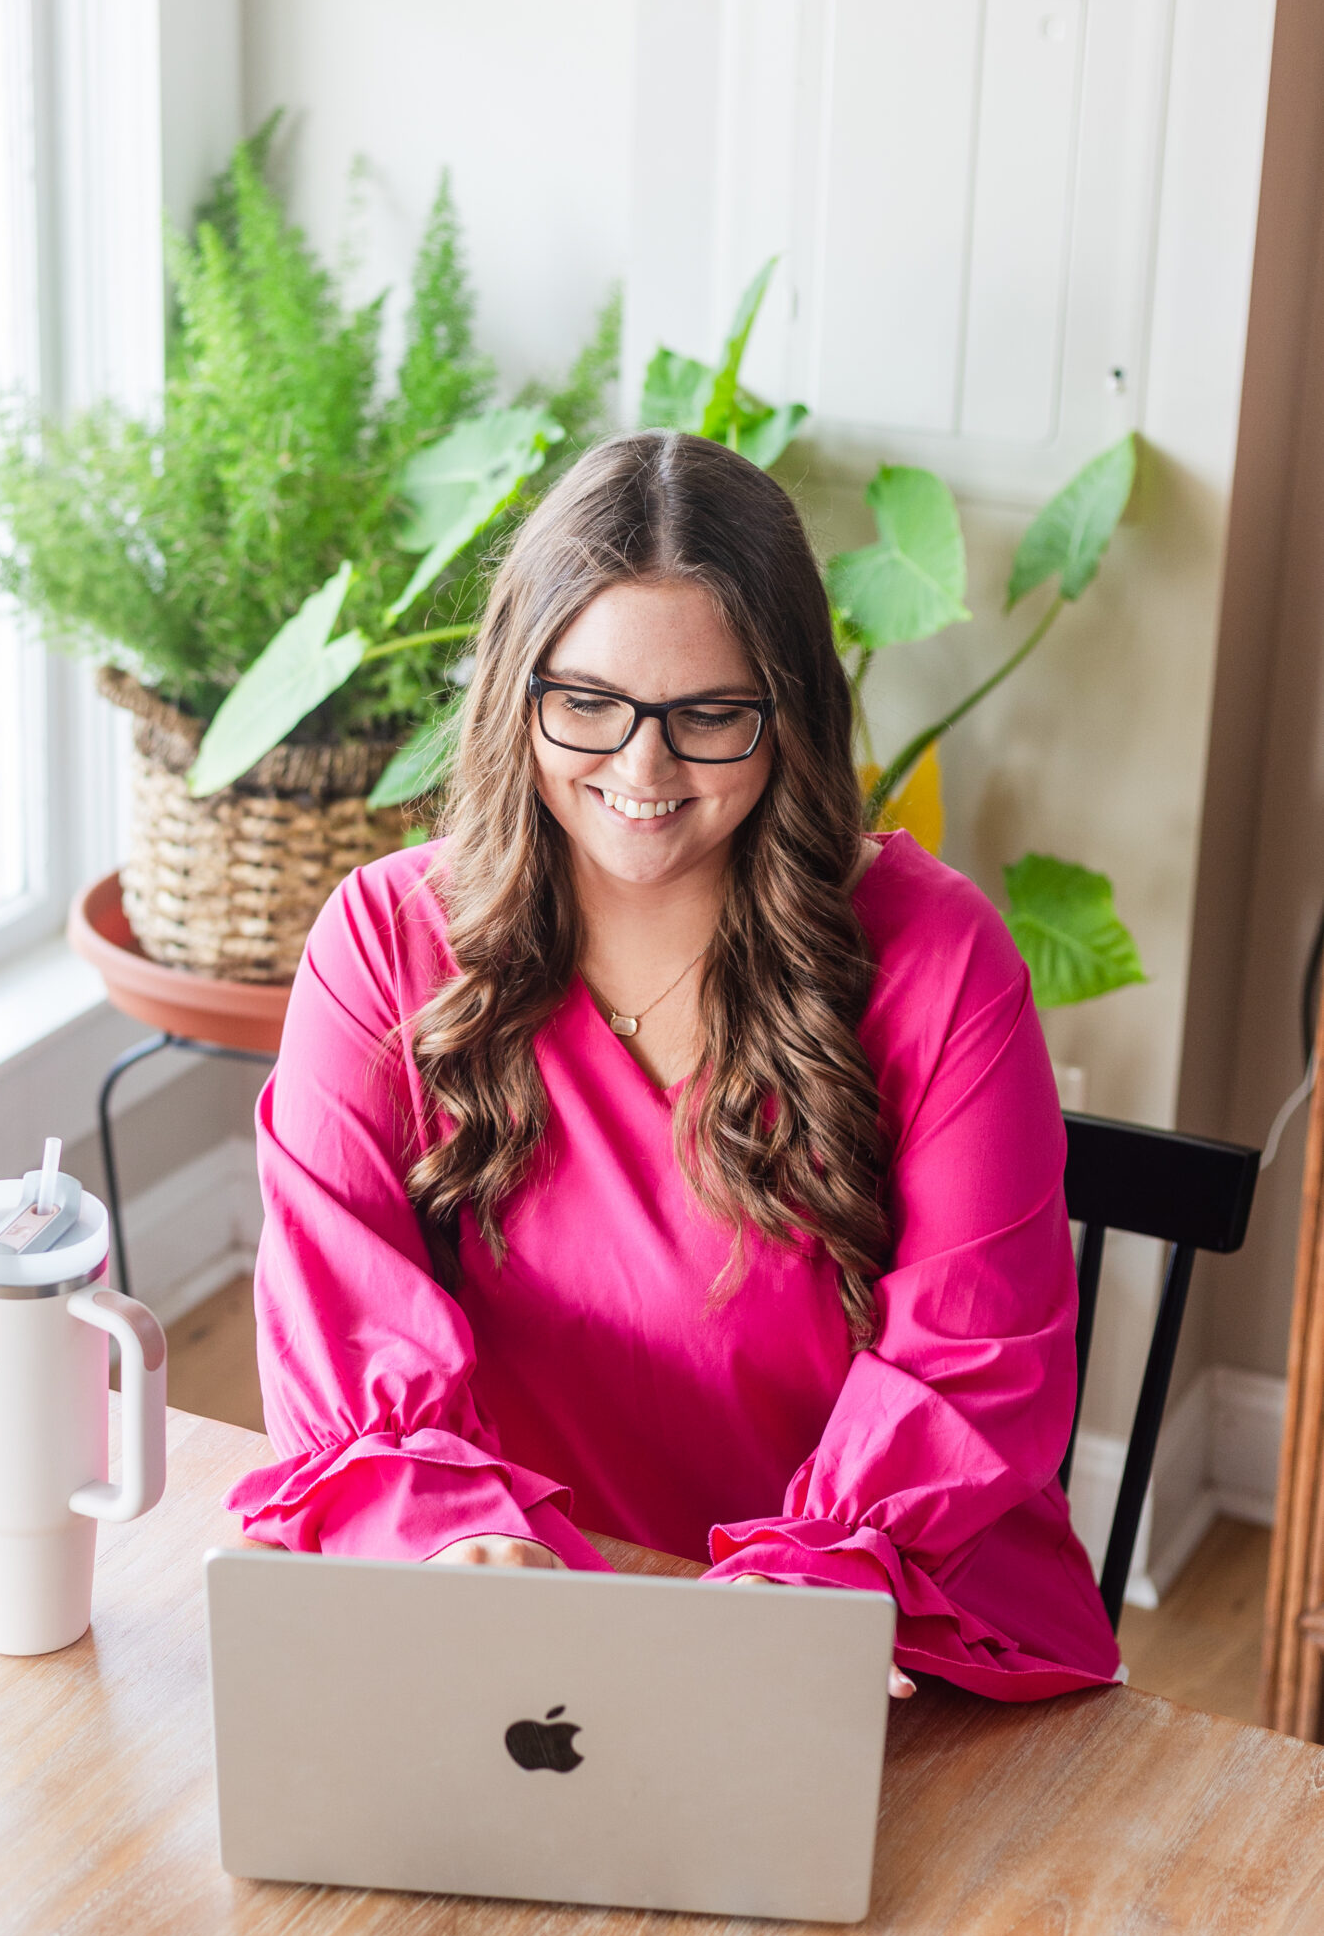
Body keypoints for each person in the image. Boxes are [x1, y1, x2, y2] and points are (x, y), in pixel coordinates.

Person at [226, 431, 1121, 1702]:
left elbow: (972, 1362)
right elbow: (340, 1315)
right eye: (584, 704)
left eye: (707, 716)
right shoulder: (383, 944)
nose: (639, 772)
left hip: (885, 1636)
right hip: (528, 1644)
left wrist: (803, 1587)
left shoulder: (938, 959)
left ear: (791, 715)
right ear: (512, 691)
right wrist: (451, 1535)